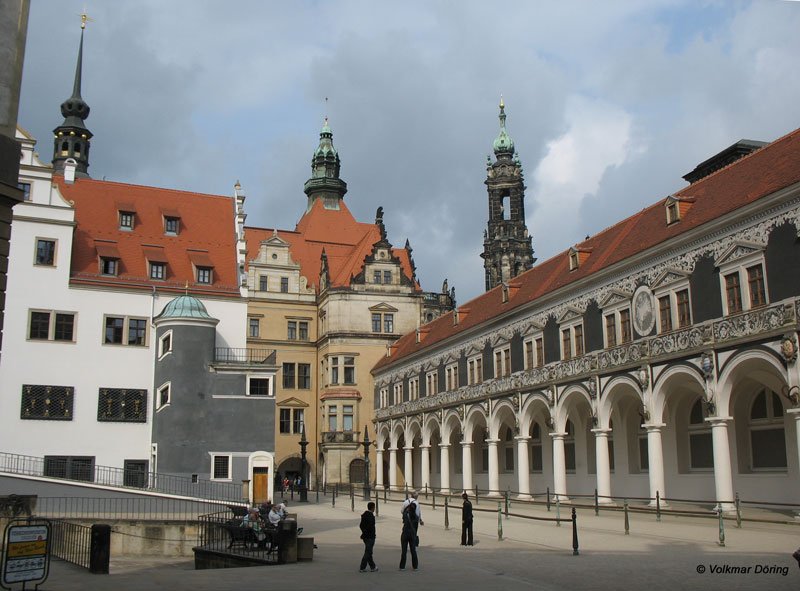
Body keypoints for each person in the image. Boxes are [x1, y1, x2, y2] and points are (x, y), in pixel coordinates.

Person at [359, 501, 379, 572]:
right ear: (373, 507)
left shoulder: (364, 515)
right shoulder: (371, 516)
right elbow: (370, 527)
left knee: (369, 552)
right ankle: (362, 567)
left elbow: (361, 525)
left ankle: (373, 567)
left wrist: (363, 532)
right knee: (368, 552)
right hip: (370, 536)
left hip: (365, 536)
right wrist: (368, 533)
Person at [399, 499, 419, 570]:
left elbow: (403, 513)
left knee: (404, 551)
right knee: (413, 550)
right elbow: (416, 527)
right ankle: (415, 566)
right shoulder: (416, 517)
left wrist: (407, 508)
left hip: (405, 533)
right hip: (412, 534)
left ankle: (402, 566)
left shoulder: (406, 515)